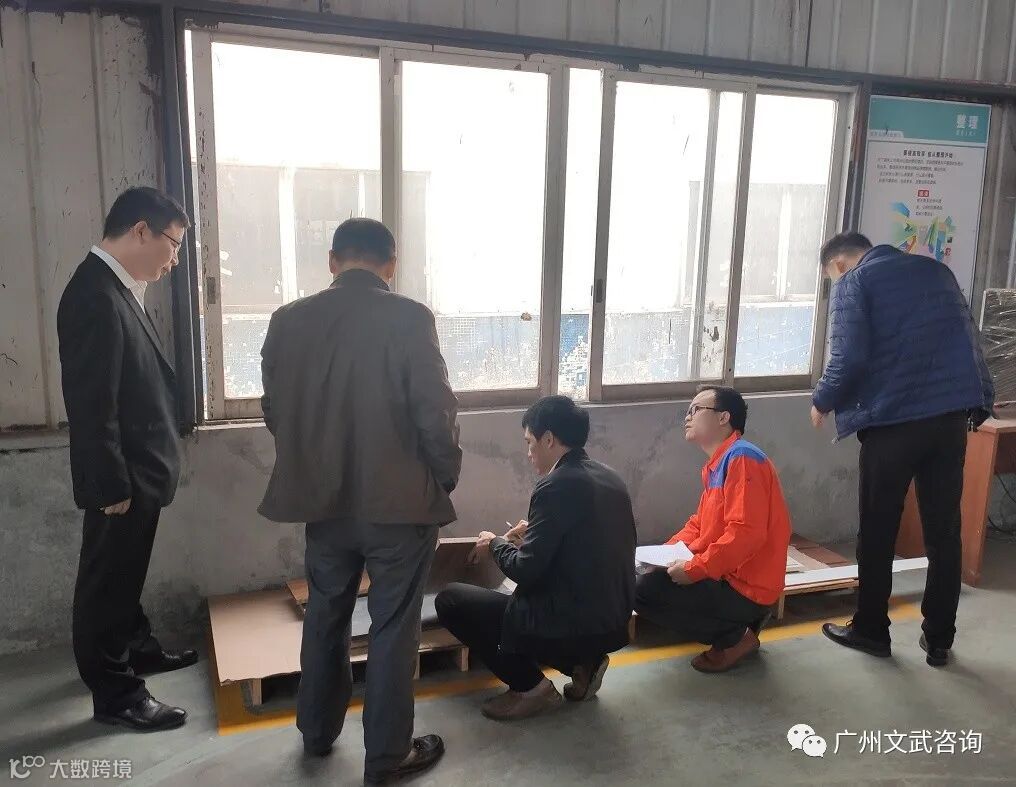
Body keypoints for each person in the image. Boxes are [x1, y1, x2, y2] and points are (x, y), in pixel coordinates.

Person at [259, 218, 461, 783]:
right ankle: (387, 756)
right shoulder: (410, 317)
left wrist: (313, 460)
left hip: (324, 502)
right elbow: (435, 411)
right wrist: (443, 476)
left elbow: (274, 408)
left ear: (332, 261)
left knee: (326, 613)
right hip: (400, 505)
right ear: (390, 265)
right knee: (394, 626)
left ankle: (317, 732)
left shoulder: (288, 319)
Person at [811, 232, 994, 666]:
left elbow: (849, 356)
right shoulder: (937, 272)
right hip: (949, 420)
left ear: (839, 265)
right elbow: (970, 341)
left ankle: (871, 630)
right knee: (944, 531)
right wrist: (982, 399)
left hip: (893, 423)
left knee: (878, 528)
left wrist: (822, 400)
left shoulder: (855, 281)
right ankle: (940, 638)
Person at [57, 186, 196, 732]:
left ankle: (135, 647)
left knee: (126, 574)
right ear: (141, 230)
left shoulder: (118, 288)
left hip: (141, 472)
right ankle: (116, 693)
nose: (175, 259)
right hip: (122, 478)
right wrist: (109, 484)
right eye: (173, 244)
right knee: (106, 582)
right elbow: (93, 403)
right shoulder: (94, 294)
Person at [436, 395, 636, 721]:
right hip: (614, 620)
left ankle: (531, 688)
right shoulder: (609, 477)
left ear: (549, 439)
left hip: (573, 620)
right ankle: (582, 663)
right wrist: (534, 532)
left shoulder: (554, 486)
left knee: (451, 600)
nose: (528, 453)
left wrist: (496, 543)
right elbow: (587, 542)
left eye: (530, 443)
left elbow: (525, 569)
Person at [635, 386, 791, 673]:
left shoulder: (743, 458)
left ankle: (735, 638)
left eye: (696, 409)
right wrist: (660, 555)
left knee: (643, 591)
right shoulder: (719, 464)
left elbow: (746, 533)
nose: (688, 416)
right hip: (728, 577)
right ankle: (737, 626)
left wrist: (695, 569)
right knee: (641, 576)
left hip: (746, 587)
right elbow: (700, 525)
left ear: (723, 417)